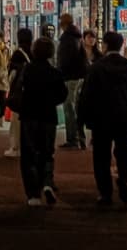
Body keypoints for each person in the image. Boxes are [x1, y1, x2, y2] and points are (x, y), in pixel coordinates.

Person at [78, 30, 127, 207]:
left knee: (101, 155)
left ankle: (105, 192)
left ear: (105, 46)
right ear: (122, 45)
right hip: (125, 117)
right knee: (124, 151)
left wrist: (82, 119)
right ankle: (123, 178)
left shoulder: (96, 67)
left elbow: (87, 95)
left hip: (101, 118)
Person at [9, 36, 67, 207]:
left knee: (29, 155)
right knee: (47, 152)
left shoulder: (27, 70)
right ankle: (47, 182)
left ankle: (33, 194)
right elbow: (62, 94)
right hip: (48, 116)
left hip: (28, 116)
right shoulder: (55, 72)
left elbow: (16, 91)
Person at [56, 13, 89, 150]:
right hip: (78, 75)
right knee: (73, 107)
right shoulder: (77, 37)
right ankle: (77, 136)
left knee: (69, 108)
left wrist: (60, 72)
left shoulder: (67, 39)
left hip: (70, 77)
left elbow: (65, 60)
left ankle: (73, 138)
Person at [6, 27, 34, 158]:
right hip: (32, 92)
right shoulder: (34, 52)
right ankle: (29, 147)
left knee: (16, 122)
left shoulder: (18, 54)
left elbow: (11, 75)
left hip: (19, 93)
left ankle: (15, 147)